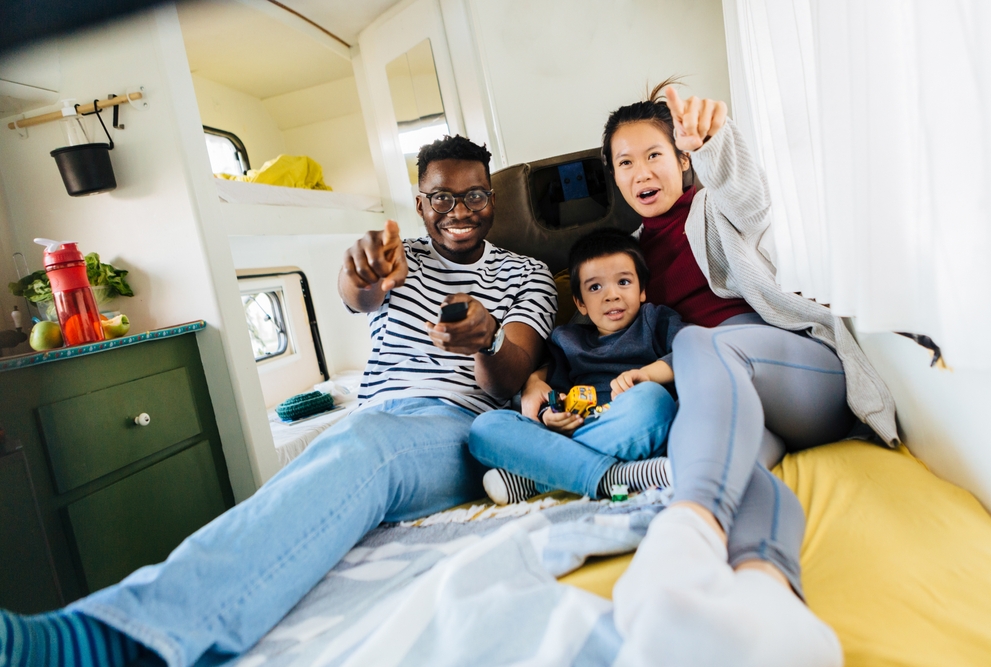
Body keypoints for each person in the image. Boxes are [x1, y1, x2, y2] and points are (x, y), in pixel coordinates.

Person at [0, 135, 558, 667]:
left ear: (493, 198)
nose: (458, 210)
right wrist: (360, 271)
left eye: (475, 195)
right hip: (373, 419)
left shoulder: (527, 273)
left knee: (367, 445)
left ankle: (106, 637)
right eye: (441, 196)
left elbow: (508, 380)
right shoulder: (395, 257)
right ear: (419, 202)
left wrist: (486, 340)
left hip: (456, 428)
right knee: (326, 467)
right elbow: (360, 291)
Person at [520, 82, 899, 667]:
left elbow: (748, 200)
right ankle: (772, 600)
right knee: (741, 470)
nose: (642, 171)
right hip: (727, 399)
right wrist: (536, 380)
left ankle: (685, 534)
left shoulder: (709, 210)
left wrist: (719, 142)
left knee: (702, 341)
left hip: (800, 376)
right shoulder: (630, 258)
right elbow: (589, 340)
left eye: (654, 154)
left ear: (681, 158)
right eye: (626, 162)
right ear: (615, 178)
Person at [469, 228, 684, 505]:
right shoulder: (567, 340)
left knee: (653, 399)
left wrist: (646, 374)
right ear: (580, 303)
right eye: (595, 287)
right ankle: (621, 476)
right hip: (576, 429)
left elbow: (691, 353)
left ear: (642, 290)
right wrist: (550, 416)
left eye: (624, 282)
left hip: (632, 424)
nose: (611, 296)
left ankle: (537, 479)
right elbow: (550, 397)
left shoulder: (656, 321)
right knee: (485, 427)